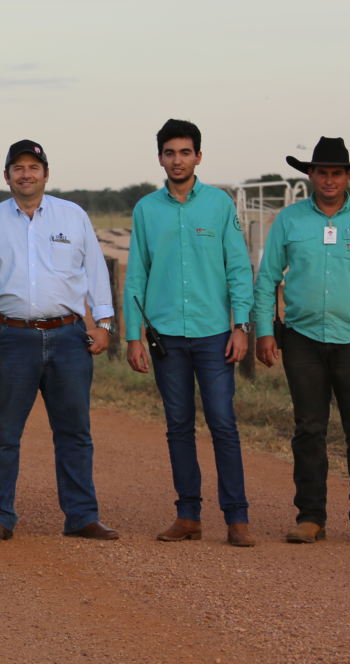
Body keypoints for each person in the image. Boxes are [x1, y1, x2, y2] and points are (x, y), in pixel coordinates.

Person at [254, 137, 350, 545]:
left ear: (349, 176)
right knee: (308, 429)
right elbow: (268, 277)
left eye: (336, 172)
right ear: (309, 175)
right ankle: (310, 516)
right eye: (321, 171)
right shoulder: (288, 221)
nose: (328, 179)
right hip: (302, 339)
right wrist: (265, 331)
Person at [0, 139, 119, 541]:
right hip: (9, 338)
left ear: (46, 174)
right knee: (1, 433)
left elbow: (95, 270)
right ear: (6, 176)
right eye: (18, 168)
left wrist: (104, 321)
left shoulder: (73, 216)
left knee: (75, 431)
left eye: (34, 167)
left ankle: (82, 515)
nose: (26, 174)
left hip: (68, 337)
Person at [123, 119, 256, 547]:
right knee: (178, 425)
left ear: (198, 156)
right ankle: (188, 515)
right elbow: (136, 274)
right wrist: (132, 336)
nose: (176, 160)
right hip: (166, 337)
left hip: (214, 333)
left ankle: (237, 519)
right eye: (169, 153)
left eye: (184, 152)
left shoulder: (219, 205)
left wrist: (241, 326)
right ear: (159, 157)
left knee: (222, 423)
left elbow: (238, 267)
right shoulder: (146, 209)